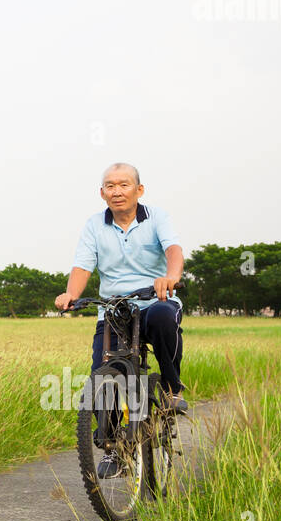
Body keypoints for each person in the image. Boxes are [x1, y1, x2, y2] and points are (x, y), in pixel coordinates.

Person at [54, 163, 186, 477]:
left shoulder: (156, 217)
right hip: (113, 310)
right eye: (110, 186)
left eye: (124, 184)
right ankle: (114, 449)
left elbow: (174, 250)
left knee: (166, 318)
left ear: (139, 190)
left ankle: (171, 388)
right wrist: (71, 293)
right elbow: (83, 266)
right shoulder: (94, 225)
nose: (117, 191)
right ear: (102, 193)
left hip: (155, 300)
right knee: (102, 377)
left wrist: (170, 278)